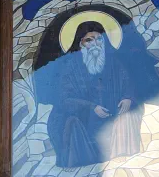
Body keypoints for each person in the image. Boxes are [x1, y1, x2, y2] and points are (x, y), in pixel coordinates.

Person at [45, 19, 143, 167]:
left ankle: (122, 160)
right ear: (81, 44)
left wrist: (127, 98)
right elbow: (64, 100)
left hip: (110, 116)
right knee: (71, 123)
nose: (95, 44)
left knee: (129, 114)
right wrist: (91, 107)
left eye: (99, 39)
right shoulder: (70, 66)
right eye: (89, 40)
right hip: (82, 120)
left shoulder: (113, 62)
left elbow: (127, 85)